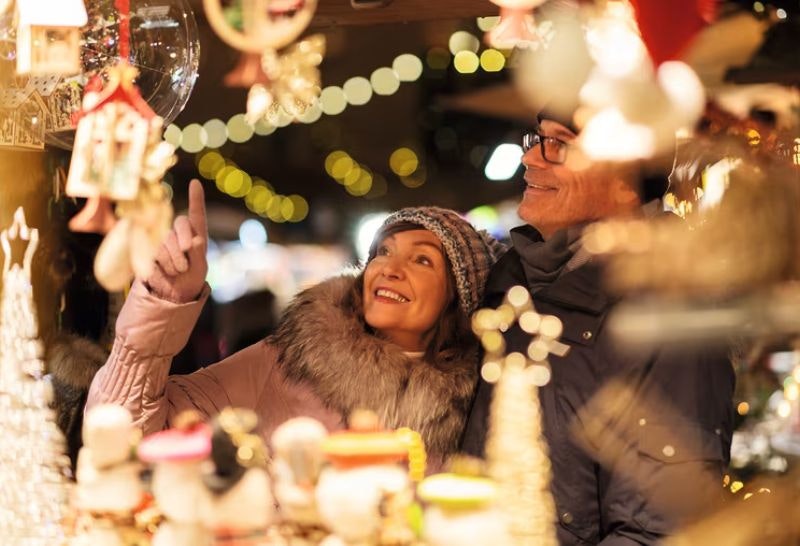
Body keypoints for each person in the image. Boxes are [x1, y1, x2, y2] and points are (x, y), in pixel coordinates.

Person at [86, 180, 501, 467]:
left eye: (422, 260)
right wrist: (163, 303)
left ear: (458, 298)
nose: (389, 269)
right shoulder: (288, 361)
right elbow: (123, 433)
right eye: (383, 252)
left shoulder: (474, 408)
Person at [461, 113, 735, 544]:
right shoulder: (509, 279)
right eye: (537, 138)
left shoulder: (671, 306)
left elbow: (657, 529)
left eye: (560, 143)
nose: (530, 157)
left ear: (626, 178)